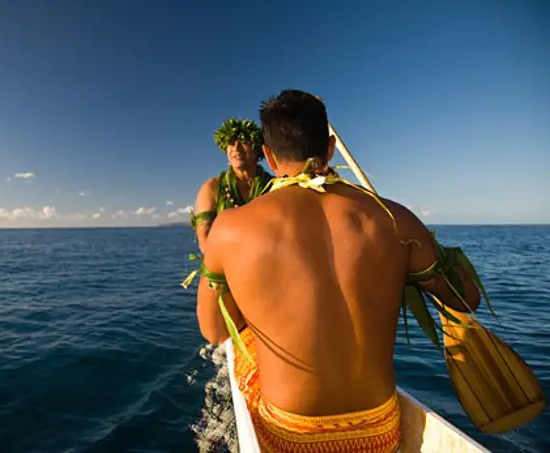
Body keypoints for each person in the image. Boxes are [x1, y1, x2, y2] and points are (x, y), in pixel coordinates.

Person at [194, 90, 481, 452]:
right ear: (329, 148)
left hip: (290, 436)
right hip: (379, 431)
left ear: (268, 153)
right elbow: (466, 298)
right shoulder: (395, 218)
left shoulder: (230, 228)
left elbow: (215, 330)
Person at [191, 118, 274, 254]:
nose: (236, 148)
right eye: (231, 143)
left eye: (243, 142)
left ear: (257, 149)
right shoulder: (212, 188)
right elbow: (205, 240)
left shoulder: (273, 186)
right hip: (223, 270)